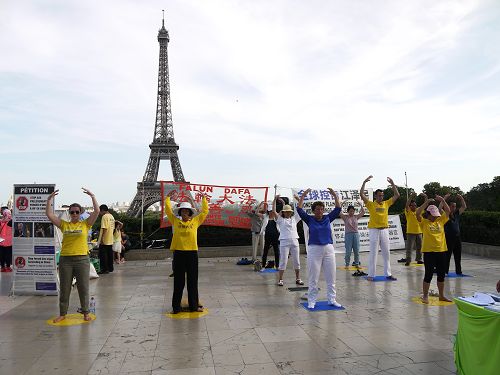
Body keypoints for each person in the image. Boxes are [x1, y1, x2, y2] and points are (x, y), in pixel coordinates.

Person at [45, 188, 100, 322]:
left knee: (83, 287)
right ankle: (63, 313)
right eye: (72, 212)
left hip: (82, 259)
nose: (74, 214)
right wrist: (49, 200)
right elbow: (50, 215)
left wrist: (92, 196)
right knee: (65, 288)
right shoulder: (64, 224)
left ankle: (86, 312)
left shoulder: (85, 224)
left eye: (77, 212)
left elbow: (97, 212)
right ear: (69, 213)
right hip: (66, 260)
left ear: (80, 212)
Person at [297, 188, 342, 309]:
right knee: (313, 277)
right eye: (317, 209)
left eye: (322, 209)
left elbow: (338, 208)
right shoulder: (309, 219)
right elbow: (299, 209)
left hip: (328, 249)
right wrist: (304, 195)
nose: (320, 211)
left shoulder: (328, 218)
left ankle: (332, 299)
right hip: (314, 249)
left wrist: (334, 195)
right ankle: (311, 300)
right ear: (313, 211)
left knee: (331, 276)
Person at [164, 191, 209, 313]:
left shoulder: (195, 222)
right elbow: (168, 210)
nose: (184, 212)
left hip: (192, 254)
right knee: (178, 282)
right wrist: (168, 198)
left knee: (192, 281)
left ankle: (194, 306)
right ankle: (176, 307)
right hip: (179, 254)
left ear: (190, 212)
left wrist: (203, 199)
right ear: (180, 212)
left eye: (186, 211)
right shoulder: (175, 221)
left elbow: (205, 212)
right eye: (182, 210)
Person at [360, 176, 400, 281]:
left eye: (382, 195)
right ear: (375, 196)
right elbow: (361, 194)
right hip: (374, 230)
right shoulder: (371, 204)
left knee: (386, 253)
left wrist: (392, 184)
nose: (381, 197)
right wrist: (364, 182)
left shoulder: (386, 203)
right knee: (373, 252)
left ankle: (388, 274)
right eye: (379, 195)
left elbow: (397, 195)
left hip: (385, 230)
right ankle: (371, 275)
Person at [416, 195, 452, 304]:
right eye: (433, 215)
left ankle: (441, 295)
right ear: (428, 214)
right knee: (429, 274)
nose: (435, 217)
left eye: (436, 215)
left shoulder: (440, 221)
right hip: (429, 252)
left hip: (441, 251)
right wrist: (426, 203)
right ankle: (425, 296)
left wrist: (443, 200)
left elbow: (448, 211)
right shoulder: (424, 222)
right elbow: (417, 213)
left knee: (441, 274)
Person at [272, 195, 302, 287]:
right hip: (284, 242)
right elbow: (273, 211)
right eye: (286, 212)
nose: (288, 213)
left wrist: (299, 200)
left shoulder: (294, 219)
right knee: (283, 261)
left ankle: (298, 278)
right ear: (283, 212)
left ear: (291, 212)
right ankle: (280, 279)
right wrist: (274, 200)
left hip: (294, 241)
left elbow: (300, 209)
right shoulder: (280, 220)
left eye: (289, 211)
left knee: (296, 261)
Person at [444, 194, 467, 275]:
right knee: (447, 256)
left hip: (457, 237)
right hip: (448, 238)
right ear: (449, 206)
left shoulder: (457, 214)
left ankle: (458, 271)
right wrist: (444, 199)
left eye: (455, 206)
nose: (454, 208)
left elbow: (464, 207)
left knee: (458, 255)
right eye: (452, 206)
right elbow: (440, 208)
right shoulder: (445, 215)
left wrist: (461, 198)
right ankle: (445, 271)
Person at [340, 202, 365, 267]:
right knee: (348, 251)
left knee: (356, 251)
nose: (352, 212)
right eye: (350, 211)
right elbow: (339, 212)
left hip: (356, 235)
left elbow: (363, 212)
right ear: (348, 211)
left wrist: (360, 205)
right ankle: (347, 264)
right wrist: (341, 205)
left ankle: (357, 263)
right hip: (348, 235)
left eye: (353, 211)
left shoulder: (356, 217)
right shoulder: (345, 218)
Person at [403, 193, 424, 266]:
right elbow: (406, 205)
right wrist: (411, 196)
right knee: (409, 248)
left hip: (419, 232)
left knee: (420, 247)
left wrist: (426, 197)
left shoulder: (419, 211)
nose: (414, 206)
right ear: (410, 206)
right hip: (410, 232)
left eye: (415, 205)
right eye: (413, 205)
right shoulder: (408, 212)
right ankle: (408, 260)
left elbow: (425, 205)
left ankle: (419, 259)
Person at [97, 204, 115, 274]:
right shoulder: (112, 216)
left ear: (102, 210)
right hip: (110, 239)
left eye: (100, 211)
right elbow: (113, 228)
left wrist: (102, 239)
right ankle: (110, 268)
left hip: (105, 239)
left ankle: (104, 269)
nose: (99, 213)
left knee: (102, 255)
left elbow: (104, 228)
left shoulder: (104, 217)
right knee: (109, 254)